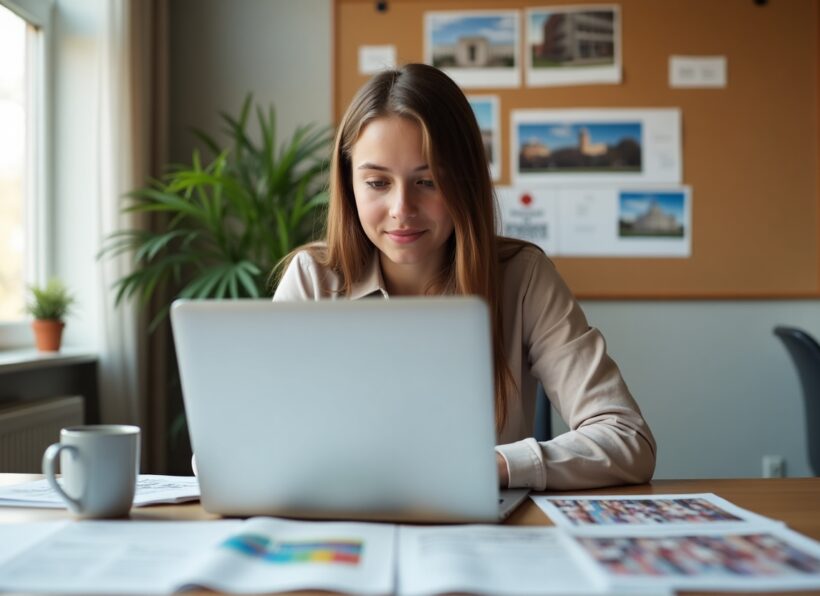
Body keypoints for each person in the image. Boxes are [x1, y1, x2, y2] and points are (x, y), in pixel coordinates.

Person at [273, 63, 656, 491]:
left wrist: (493, 466)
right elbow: (242, 442)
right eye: (378, 183)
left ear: (464, 182)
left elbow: (628, 438)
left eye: (428, 181)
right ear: (349, 184)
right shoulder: (313, 280)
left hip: (480, 532)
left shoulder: (523, 277)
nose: (402, 208)